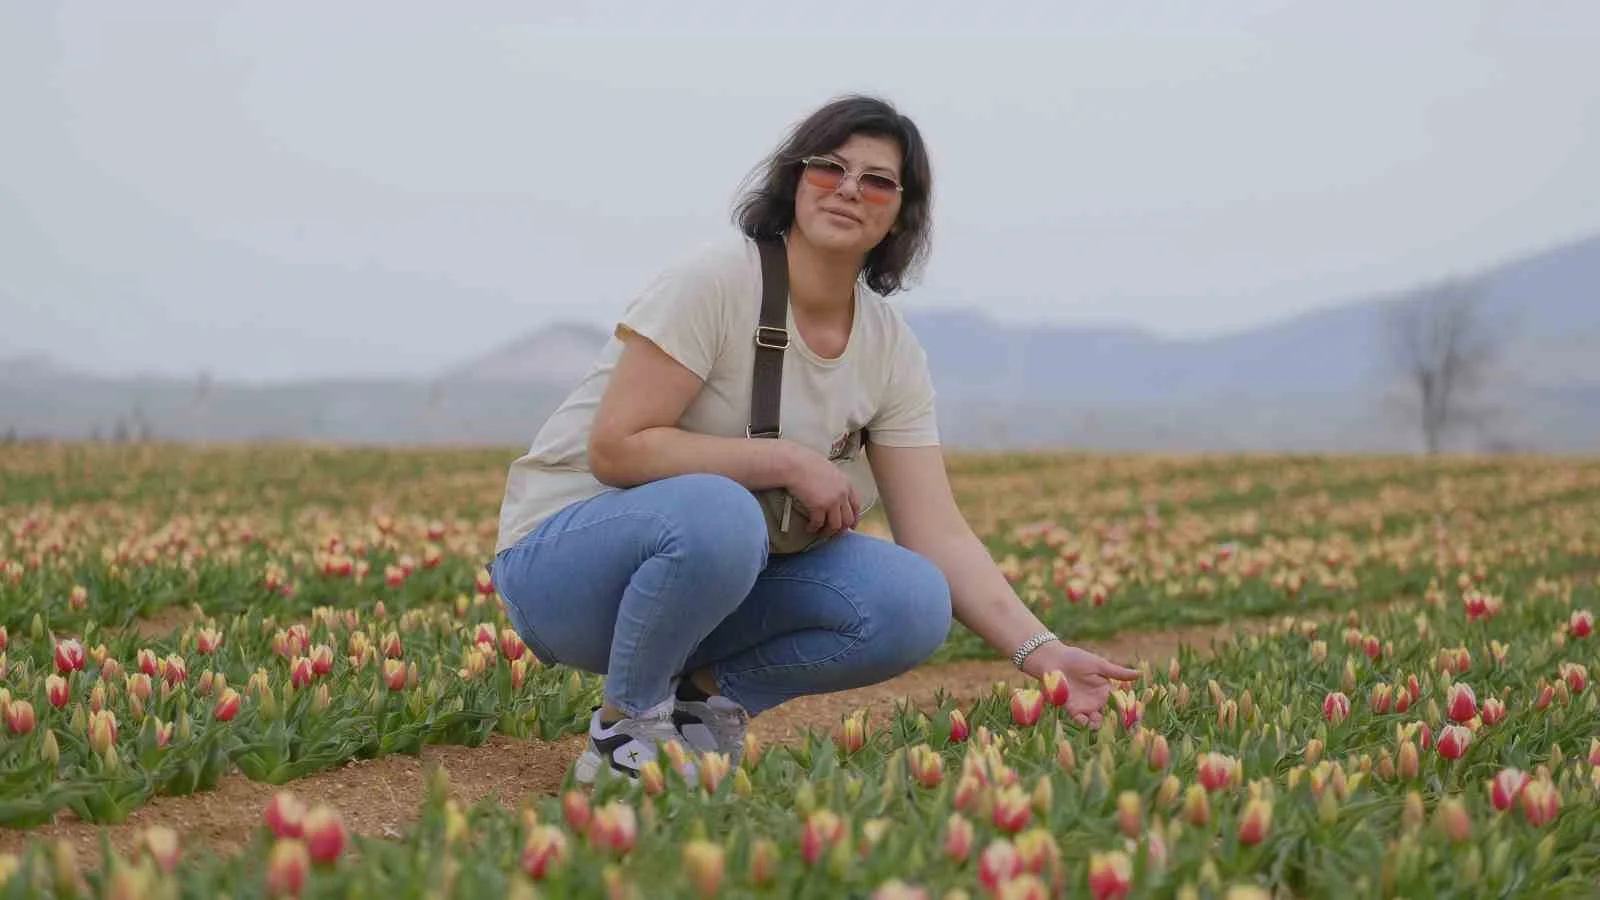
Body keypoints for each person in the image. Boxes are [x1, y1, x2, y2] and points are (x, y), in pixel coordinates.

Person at [489, 94, 1139, 784]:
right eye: (829, 167)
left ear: (902, 213)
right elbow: (617, 448)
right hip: (565, 573)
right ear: (795, 180)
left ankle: (700, 708)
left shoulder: (890, 350)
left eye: (878, 180)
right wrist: (785, 460)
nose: (849, 188)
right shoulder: (716, 282)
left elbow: (939, 533)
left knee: (913, 599)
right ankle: (626, 730)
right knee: (721, 511)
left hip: (711, 587)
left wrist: (1043, 653)